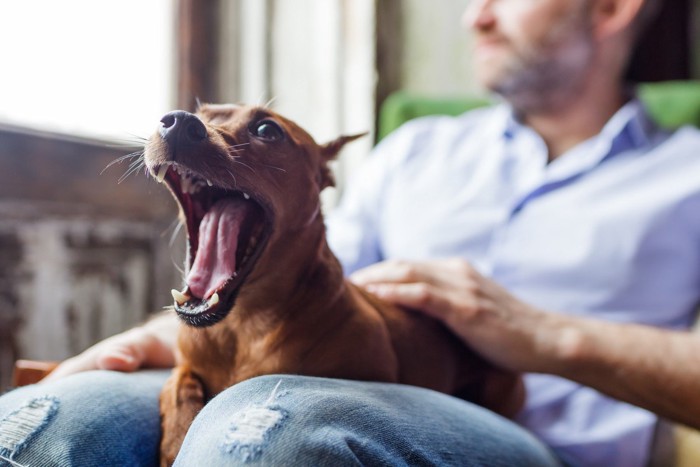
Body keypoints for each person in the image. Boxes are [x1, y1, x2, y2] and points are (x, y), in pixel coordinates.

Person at [1, 0, 699, 465]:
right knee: (52, 418)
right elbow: (295, 277)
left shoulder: (686, 174)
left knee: (269, 431)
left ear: (610, 7)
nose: (474, 16)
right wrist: (145, 341)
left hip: (539, 435)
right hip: (304, 364)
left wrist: (541, 336)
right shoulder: (418, 148)